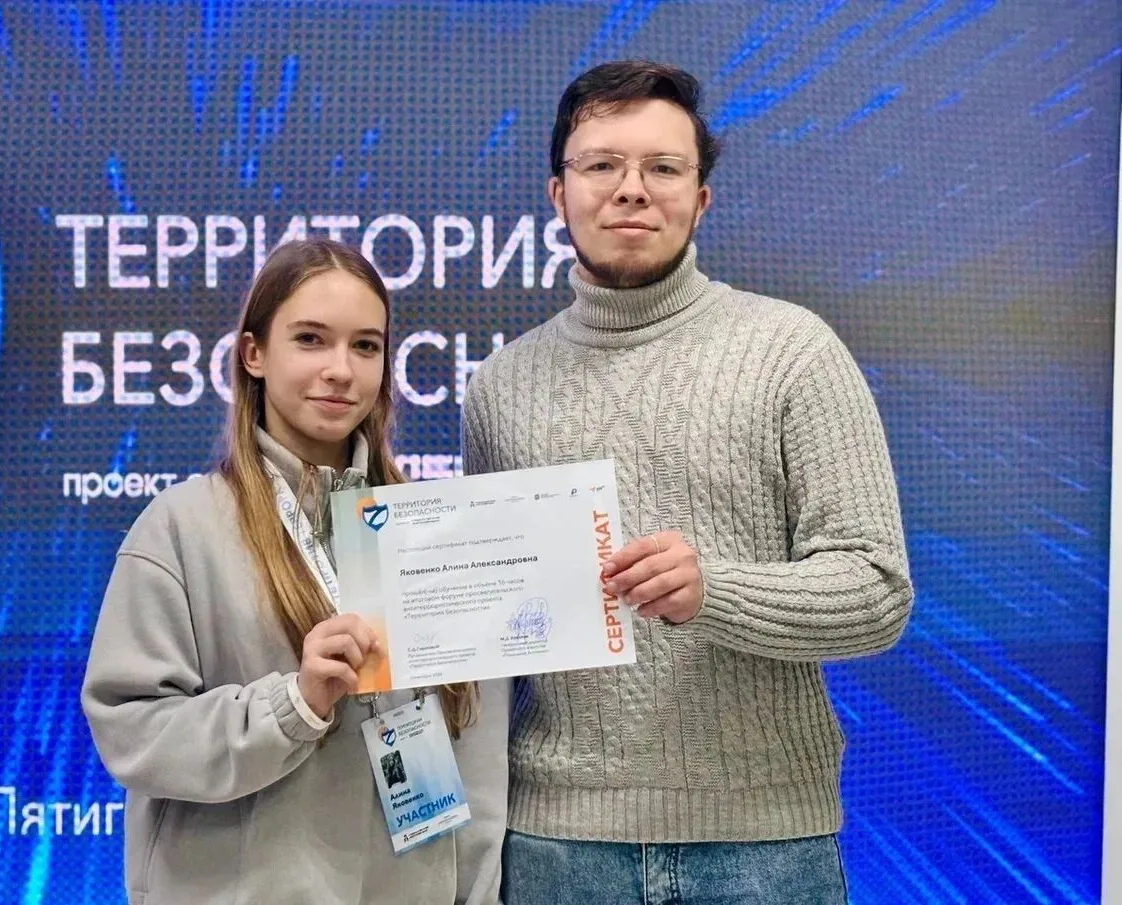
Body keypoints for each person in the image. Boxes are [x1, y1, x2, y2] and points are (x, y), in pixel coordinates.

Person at [460, 60, 914, 904]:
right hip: (558, 846)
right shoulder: (500, 387)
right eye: (602, 164)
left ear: (700, 198)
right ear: (558, 194)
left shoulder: (793, 351)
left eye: (663, 167)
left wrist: (715, 590)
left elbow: (877, 592)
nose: (631, 188)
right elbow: (495, 633)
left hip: (764, 848)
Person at [82, 238, 507, 905]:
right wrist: (293, 705)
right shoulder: (181, 527)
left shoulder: (428, 532)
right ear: (253, 354)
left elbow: (473, 748)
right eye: (311, 339)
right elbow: (131, 732)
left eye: (365, 346)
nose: (341, 369)